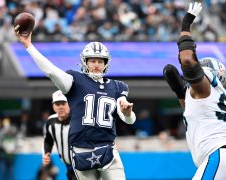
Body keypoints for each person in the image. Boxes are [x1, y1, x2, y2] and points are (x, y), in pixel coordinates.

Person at [15, 28, 136, 179]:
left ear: (106, 63)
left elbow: (129, 119)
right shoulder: (75, 81)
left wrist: (127, 112)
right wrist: (29, 46)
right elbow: (51, 71)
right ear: (85, 62)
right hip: (81, 151)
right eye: (92, 60)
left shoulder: (118, 86)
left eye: (100, 61)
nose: (96, 64)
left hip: (108, 150)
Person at [163, 2, 226, 179]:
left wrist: (185, 26)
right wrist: (179, 92)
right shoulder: (216, 95)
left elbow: (188, 63)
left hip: (219, 157)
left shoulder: (205, 87)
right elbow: (195, 111)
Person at [43, 90, 76, 180]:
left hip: (83, 166)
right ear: (53, 107)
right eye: (58, 104)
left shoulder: (78, 120)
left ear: (69, 104)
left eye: (63, 103)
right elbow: (48, 140)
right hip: (68, 166)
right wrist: (47, 153)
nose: (61, 107)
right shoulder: (50, 122)